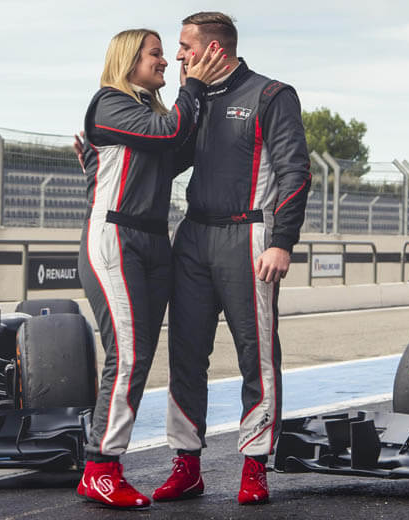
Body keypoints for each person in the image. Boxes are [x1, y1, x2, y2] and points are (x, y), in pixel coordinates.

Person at [153, 12, 311, 505]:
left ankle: (254, 464)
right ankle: (186, 463)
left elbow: (295, 173)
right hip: (194, 236)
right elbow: (163, 158)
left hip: (250, 237)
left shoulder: (271, 95)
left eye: (185, 46)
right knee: (184, 353)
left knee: (257, 356)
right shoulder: (195, 99)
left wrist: (282, 241)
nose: (178, 55)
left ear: (214, 49)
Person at [75, 28, 228, 509]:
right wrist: (195, 87)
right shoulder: (109, 103)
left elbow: (180, 144)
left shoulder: (149, 113)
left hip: (153, 241)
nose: (165, 61)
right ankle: (100, 468)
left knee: (138, 356)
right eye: (156, 54)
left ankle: (111, 462)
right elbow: (170, 133)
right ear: (129, 59)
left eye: (166, 54)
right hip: (114, 237)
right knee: (127, 354)